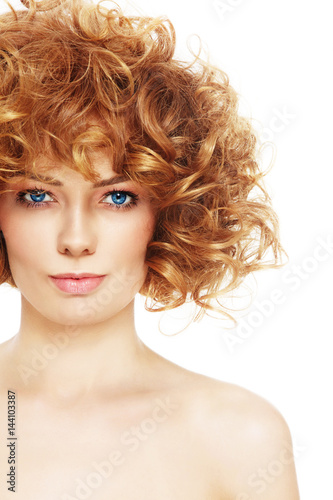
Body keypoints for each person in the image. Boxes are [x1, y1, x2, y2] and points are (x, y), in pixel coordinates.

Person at [0, 0, 300, 498]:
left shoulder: (239, 438)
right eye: (38, 196)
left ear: (170, 212)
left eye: (118, 197)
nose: (76, 241)